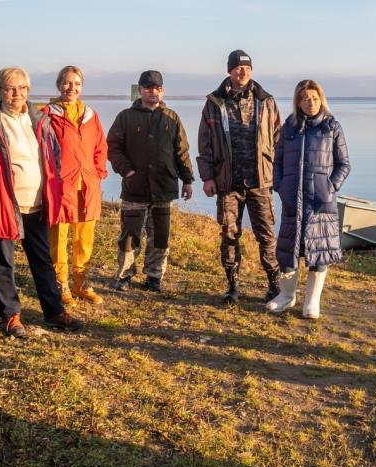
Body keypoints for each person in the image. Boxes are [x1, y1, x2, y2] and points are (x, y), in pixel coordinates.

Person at [0, 67, 83, 338]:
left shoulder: (40, 120)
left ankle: (53, 312)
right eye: (10, 88)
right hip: (3, 205)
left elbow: (55, 159)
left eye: (22, 88)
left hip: (37, 204)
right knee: (4, 262)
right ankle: (11, 315)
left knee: (42, 260)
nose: (17, 94)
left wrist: (57, 191)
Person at [197, 50, 281, 304]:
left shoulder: (266, 101)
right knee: (229, 234)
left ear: (251, 71)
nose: (242, 72)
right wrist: (207, 178)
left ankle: (274, 285)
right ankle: (232, 285)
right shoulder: (215, 102)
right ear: (229, 71)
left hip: (260, 181)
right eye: (237, 68)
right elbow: (205, 144)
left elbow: (278, 139)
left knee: (266, 235)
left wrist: (278, 174)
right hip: (228, 182)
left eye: (246, 68)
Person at [267, 80, 350, 319]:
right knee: (288, 251)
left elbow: (344, 164)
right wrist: (281, 186)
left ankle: (312, 302)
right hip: (292, 199)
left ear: (320, 99)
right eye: (304, 98)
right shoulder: (289, 127)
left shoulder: (331, 127)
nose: (310, 102)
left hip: (320, 202)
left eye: (314, 98)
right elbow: (278, 162)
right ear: (298, 102)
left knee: (319, 252)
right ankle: (286, 297)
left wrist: (330, 187)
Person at [106, 70, 194, 292]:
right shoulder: (125, 117)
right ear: (140, 90)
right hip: (135, 188)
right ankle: (125, 276)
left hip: (164, 187)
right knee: (130, 235)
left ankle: (154, 277)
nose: (153, 92)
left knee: (160, 237)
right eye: (148, 88)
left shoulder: (171, 118)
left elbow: (181, 152)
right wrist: (126, 171)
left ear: (162, 91)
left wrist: (187, 180)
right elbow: (113, 148)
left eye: (157, 88)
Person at [42, 65, 108, 305]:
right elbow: (40, 148)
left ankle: (82, 283)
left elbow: (101, 146)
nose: (72, 88)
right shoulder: (47, 113)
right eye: (67, 83)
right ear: (59, 85)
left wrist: (98, 172)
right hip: (60, 185)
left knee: (84, 236)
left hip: (86, 185)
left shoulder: (90, 115)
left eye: (77, 84)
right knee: (58, 237)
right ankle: (61, 285)